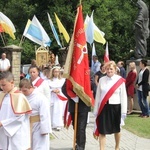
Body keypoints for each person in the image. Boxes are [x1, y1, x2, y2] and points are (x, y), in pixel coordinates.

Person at [93, 61, 127, 150]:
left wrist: (124, 111)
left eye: (111, 69)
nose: (109, 70)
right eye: (107, 69)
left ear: (115, 69)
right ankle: (102, 148)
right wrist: (96, 110)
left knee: (117, 129)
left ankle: (117, 147)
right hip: (104, 108)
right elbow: (98, 96)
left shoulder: (120, 80)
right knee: (102, 130)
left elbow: (123, 96)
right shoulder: (101, 80)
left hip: (116, 107)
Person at [0, 71, 32, 149]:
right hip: (3, 132)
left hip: (17, 133)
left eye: (4, 85)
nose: (1, 87)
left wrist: (3, 123)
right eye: (0, 85)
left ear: (12, 82)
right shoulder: (2, 95)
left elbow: (20, 118)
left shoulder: (19, 97)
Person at [19, 78, 51, 150]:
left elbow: (45, 114)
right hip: (26, 125)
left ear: (31, 87)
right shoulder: (22, 97)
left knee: (39, 146)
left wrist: (45, 129)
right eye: (21, 90)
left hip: (38, 126)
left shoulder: (40, 98)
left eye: (25, 91)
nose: (23, 92)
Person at [62, 79, 91, 150]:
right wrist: (72, 96)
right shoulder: (70, 77)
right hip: (74, 104)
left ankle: (80, 147)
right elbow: (64, 89)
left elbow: (92, 87)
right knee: (75, 126)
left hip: (84, 105)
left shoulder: (86, 75)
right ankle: (77, 144)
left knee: (81, 127)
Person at [48, 66, 66, 130]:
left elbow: (63, 89)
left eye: (57, 72)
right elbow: (47, 89)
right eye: (55, 72)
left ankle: (58, 124)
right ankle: (52, 124)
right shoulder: (49, 81)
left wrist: (59, 91)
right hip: (52, 96)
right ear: (52, 72)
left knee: (58, 110)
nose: (56, 73)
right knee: (51, 110)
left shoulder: (62, 80)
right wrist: (52, 90)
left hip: (59, 96)